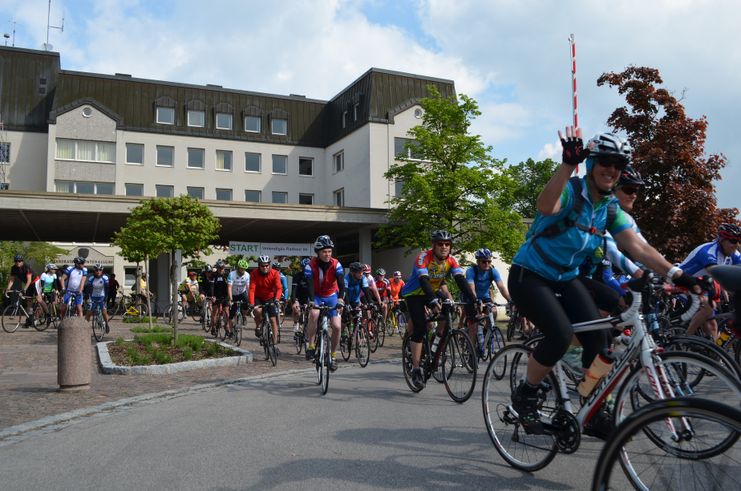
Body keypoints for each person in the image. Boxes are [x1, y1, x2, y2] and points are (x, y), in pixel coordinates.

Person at [507, 127, 699, 437]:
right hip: (529, 275)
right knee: (560, 334)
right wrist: (567, 164)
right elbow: (545, 206)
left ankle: (590, 406)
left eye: (618, 164)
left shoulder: (609, 207)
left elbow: (638, 247)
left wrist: (678, 275)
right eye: (605, 161)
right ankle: (526, 395)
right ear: (592, 163)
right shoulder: (571, 190)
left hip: (566, 279)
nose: (612, 169)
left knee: (599, 341)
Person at [400, 230, 479, 390]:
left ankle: (435, 346)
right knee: (421, 326)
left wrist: (474, 299)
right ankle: (416, 369)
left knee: (447, 315)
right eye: (440, 244)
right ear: (433, 245)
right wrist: (433, 299)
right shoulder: (423, 257)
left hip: (433, 291)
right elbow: (423, 280)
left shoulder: (452, 260)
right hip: (415, 293)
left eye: (447, 244)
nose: (444, 247)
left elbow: (460, 280)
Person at [678, 223, 741, 339]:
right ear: (722, 240)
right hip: (682, 283)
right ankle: (685, 338)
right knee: (708, 306)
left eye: (738, 241)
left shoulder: (733, 253)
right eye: (732, 241)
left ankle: (714, 354)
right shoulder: (708, 252)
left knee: (712, 324)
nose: (736, 245)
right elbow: (718, 277)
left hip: (701, 285)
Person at [304, 235, 346, 371]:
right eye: (324, 252)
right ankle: (310, 346)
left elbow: (341, 283)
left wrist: (340, 300)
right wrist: (311, 301)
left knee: (337, 326)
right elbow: (309, 286)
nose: (327, 254)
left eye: (329, 251)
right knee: (314, 314)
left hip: (331, 295)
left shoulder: (336, 264)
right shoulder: (310, 266)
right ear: (318, 253)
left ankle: (333, 356)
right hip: (316, 295)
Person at [464, 248, 512, 356]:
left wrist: (510, 300)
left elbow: (501, 287)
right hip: (471, 298)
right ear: (478, 262)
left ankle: (487, 332)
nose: (487, 263)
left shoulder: (493, 271)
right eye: (484, 261)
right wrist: (476, 301)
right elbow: (471, 289)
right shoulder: (471, 271)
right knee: (474, 328)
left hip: (485, 298)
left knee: (493, 311)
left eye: (489, 261)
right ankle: (471, 352)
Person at [249, 256, 283, 352]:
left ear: (269, 265)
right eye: (262, 266)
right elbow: (252, 289)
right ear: (259, 266)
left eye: (267, 265)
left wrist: (277, 299)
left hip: (270, 297)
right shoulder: (254, 274)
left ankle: (274, 343)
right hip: (258, 297)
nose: (265, 267)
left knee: (273, 320)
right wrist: (251, 303)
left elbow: (279, 288)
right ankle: (258, 326)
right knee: (257, 310)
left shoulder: (275, 273)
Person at [5, 255, 36, 327]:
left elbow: (29, 280)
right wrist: (8, 289)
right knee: (29, 302)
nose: (17, 262)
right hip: (27, 283)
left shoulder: (26, 267)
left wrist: (24, 289)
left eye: (19, 261)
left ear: (22, 261)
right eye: (16, 261)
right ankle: (29, 319)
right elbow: (12, 279)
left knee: (38, 299)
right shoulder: (14, 268)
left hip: (34, 282)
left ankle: (48, 314)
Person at [84, 264, 110, 332]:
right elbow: (87, 288)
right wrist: (87, 295)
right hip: (93, 296)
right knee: (89, 312)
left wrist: (106, 297)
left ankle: (107, 324)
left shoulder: (105, 278)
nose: (98, 271)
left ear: (102, 271)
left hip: (102, 296)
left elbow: (107, 288)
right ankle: (84, 327)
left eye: (100, 270)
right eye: (96, 270)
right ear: (94, 271)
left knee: (104, 312)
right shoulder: (91, 278)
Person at [227, 259, 250, 331]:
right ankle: (231, 332)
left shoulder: (247, 275)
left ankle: (244, 316)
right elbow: (229, 287)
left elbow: (248, 287)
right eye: (241, 268)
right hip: (233, 294)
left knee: (246, 304)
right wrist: (230, 299)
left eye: (244, 269)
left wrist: (250, 298)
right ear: (238, 268)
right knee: (231, 315)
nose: (243, 270)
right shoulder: (232, 274)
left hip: (242, 293)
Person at [290, 258, 312, 333]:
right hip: (298, 297)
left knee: (310, 312)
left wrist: (309, 301)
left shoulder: (313, 276)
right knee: (296, 310)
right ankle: (296, 323)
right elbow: (294, 290)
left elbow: (313, 291)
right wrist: (295, 301)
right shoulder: (297, 276)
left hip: (308, 297)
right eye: (304, 268)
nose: (305, 270)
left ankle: (307, 326)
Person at [211, 260, 230, 335]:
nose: (221, 269)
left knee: (227, 312)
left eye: (222, 268)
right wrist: (213, 296)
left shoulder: (227, 275)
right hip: (216, 295)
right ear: (217, 268)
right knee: (215, 311)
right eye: (219, 268)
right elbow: (212, 286)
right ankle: (213, 327)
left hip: (225, 295)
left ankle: (227, 327)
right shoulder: (214, 275)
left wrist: (229, 296)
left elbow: (230, 286)